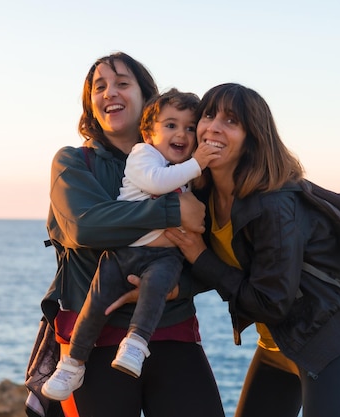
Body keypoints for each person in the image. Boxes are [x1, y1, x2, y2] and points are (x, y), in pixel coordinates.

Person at [27, 53, 225, 417]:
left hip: (171, 330)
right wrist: (173, 210)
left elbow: (214, 251)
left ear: (147, 97)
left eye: (121, 83)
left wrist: (178, 286)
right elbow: (84, 226)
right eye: (99, 87)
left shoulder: (187, 168)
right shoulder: (72, 162)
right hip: (91, 344)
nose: (109, 93)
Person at [165, 83, 340, 417]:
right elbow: (218, 265)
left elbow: (270, 301)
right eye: (209, 115)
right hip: (277, 339)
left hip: (327, 338)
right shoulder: (204, 195)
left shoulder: (274, 205)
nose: (213, 126)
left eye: (231, 121)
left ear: (252, 138)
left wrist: (200, 256)